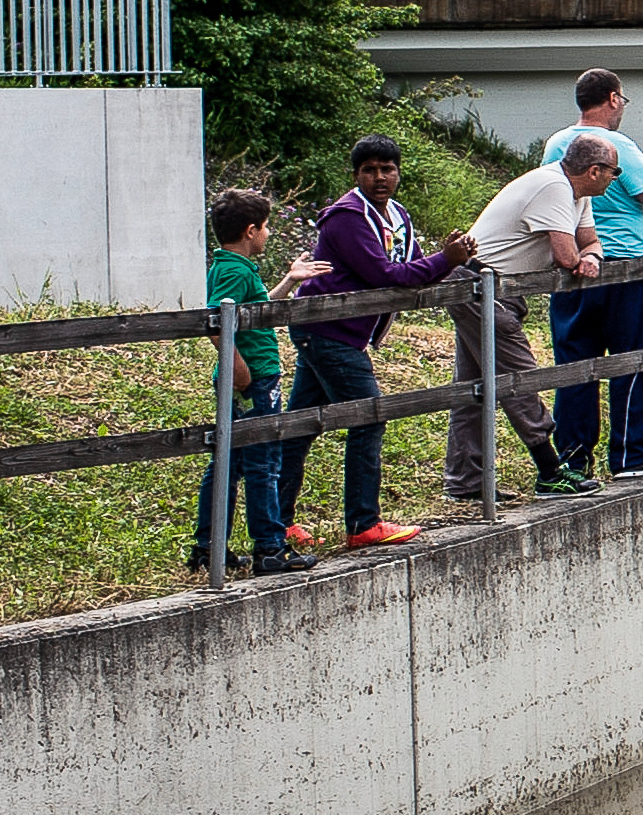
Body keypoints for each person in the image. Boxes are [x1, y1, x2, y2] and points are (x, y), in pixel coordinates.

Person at [287, 134, 478, 551]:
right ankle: (362, 523)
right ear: (355, 175)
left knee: (298, 426)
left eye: (387, 169)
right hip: (327, 329)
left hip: (341, 332)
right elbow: (385, 276)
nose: (379, 177)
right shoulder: (346, 218)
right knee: (369, 417)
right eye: (369, 170)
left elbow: (412, 268)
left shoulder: (396, 216)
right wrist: (446, 259)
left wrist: (447, 261)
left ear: (398, 172)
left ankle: (279, 520)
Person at [447, 131, 617, 504]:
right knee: (520, 379)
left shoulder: (576, 194)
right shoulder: (554, 188)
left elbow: (590, 244)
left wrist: (593, 256)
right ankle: (549, 472)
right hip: (478, 287)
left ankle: (464, 480)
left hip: (494, 289)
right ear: (593, 170)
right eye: (612, 172)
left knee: (472, 388)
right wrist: (582, 257)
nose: (613, 179)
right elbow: (566, 257)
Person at [541, 70, 643, 481]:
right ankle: (631, 454)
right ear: (613, 99)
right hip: (626, 264)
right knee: (634, 360)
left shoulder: (556, 144)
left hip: (573, 264)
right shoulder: (620, 146)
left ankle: (573, 459)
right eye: (622, 102)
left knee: (575, 364)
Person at [193, 190, 308, 577]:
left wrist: (290, 281)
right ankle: (270, 548)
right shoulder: (234, 271)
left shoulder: (233, 267)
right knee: (264, 462)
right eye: (266, 227)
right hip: (254, 380)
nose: (268, 234)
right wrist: (239, 369)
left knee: (231, 461)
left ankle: (209, 546)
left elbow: (255, 310)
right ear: (250, 230)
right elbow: (216, 320)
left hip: (249, 378)